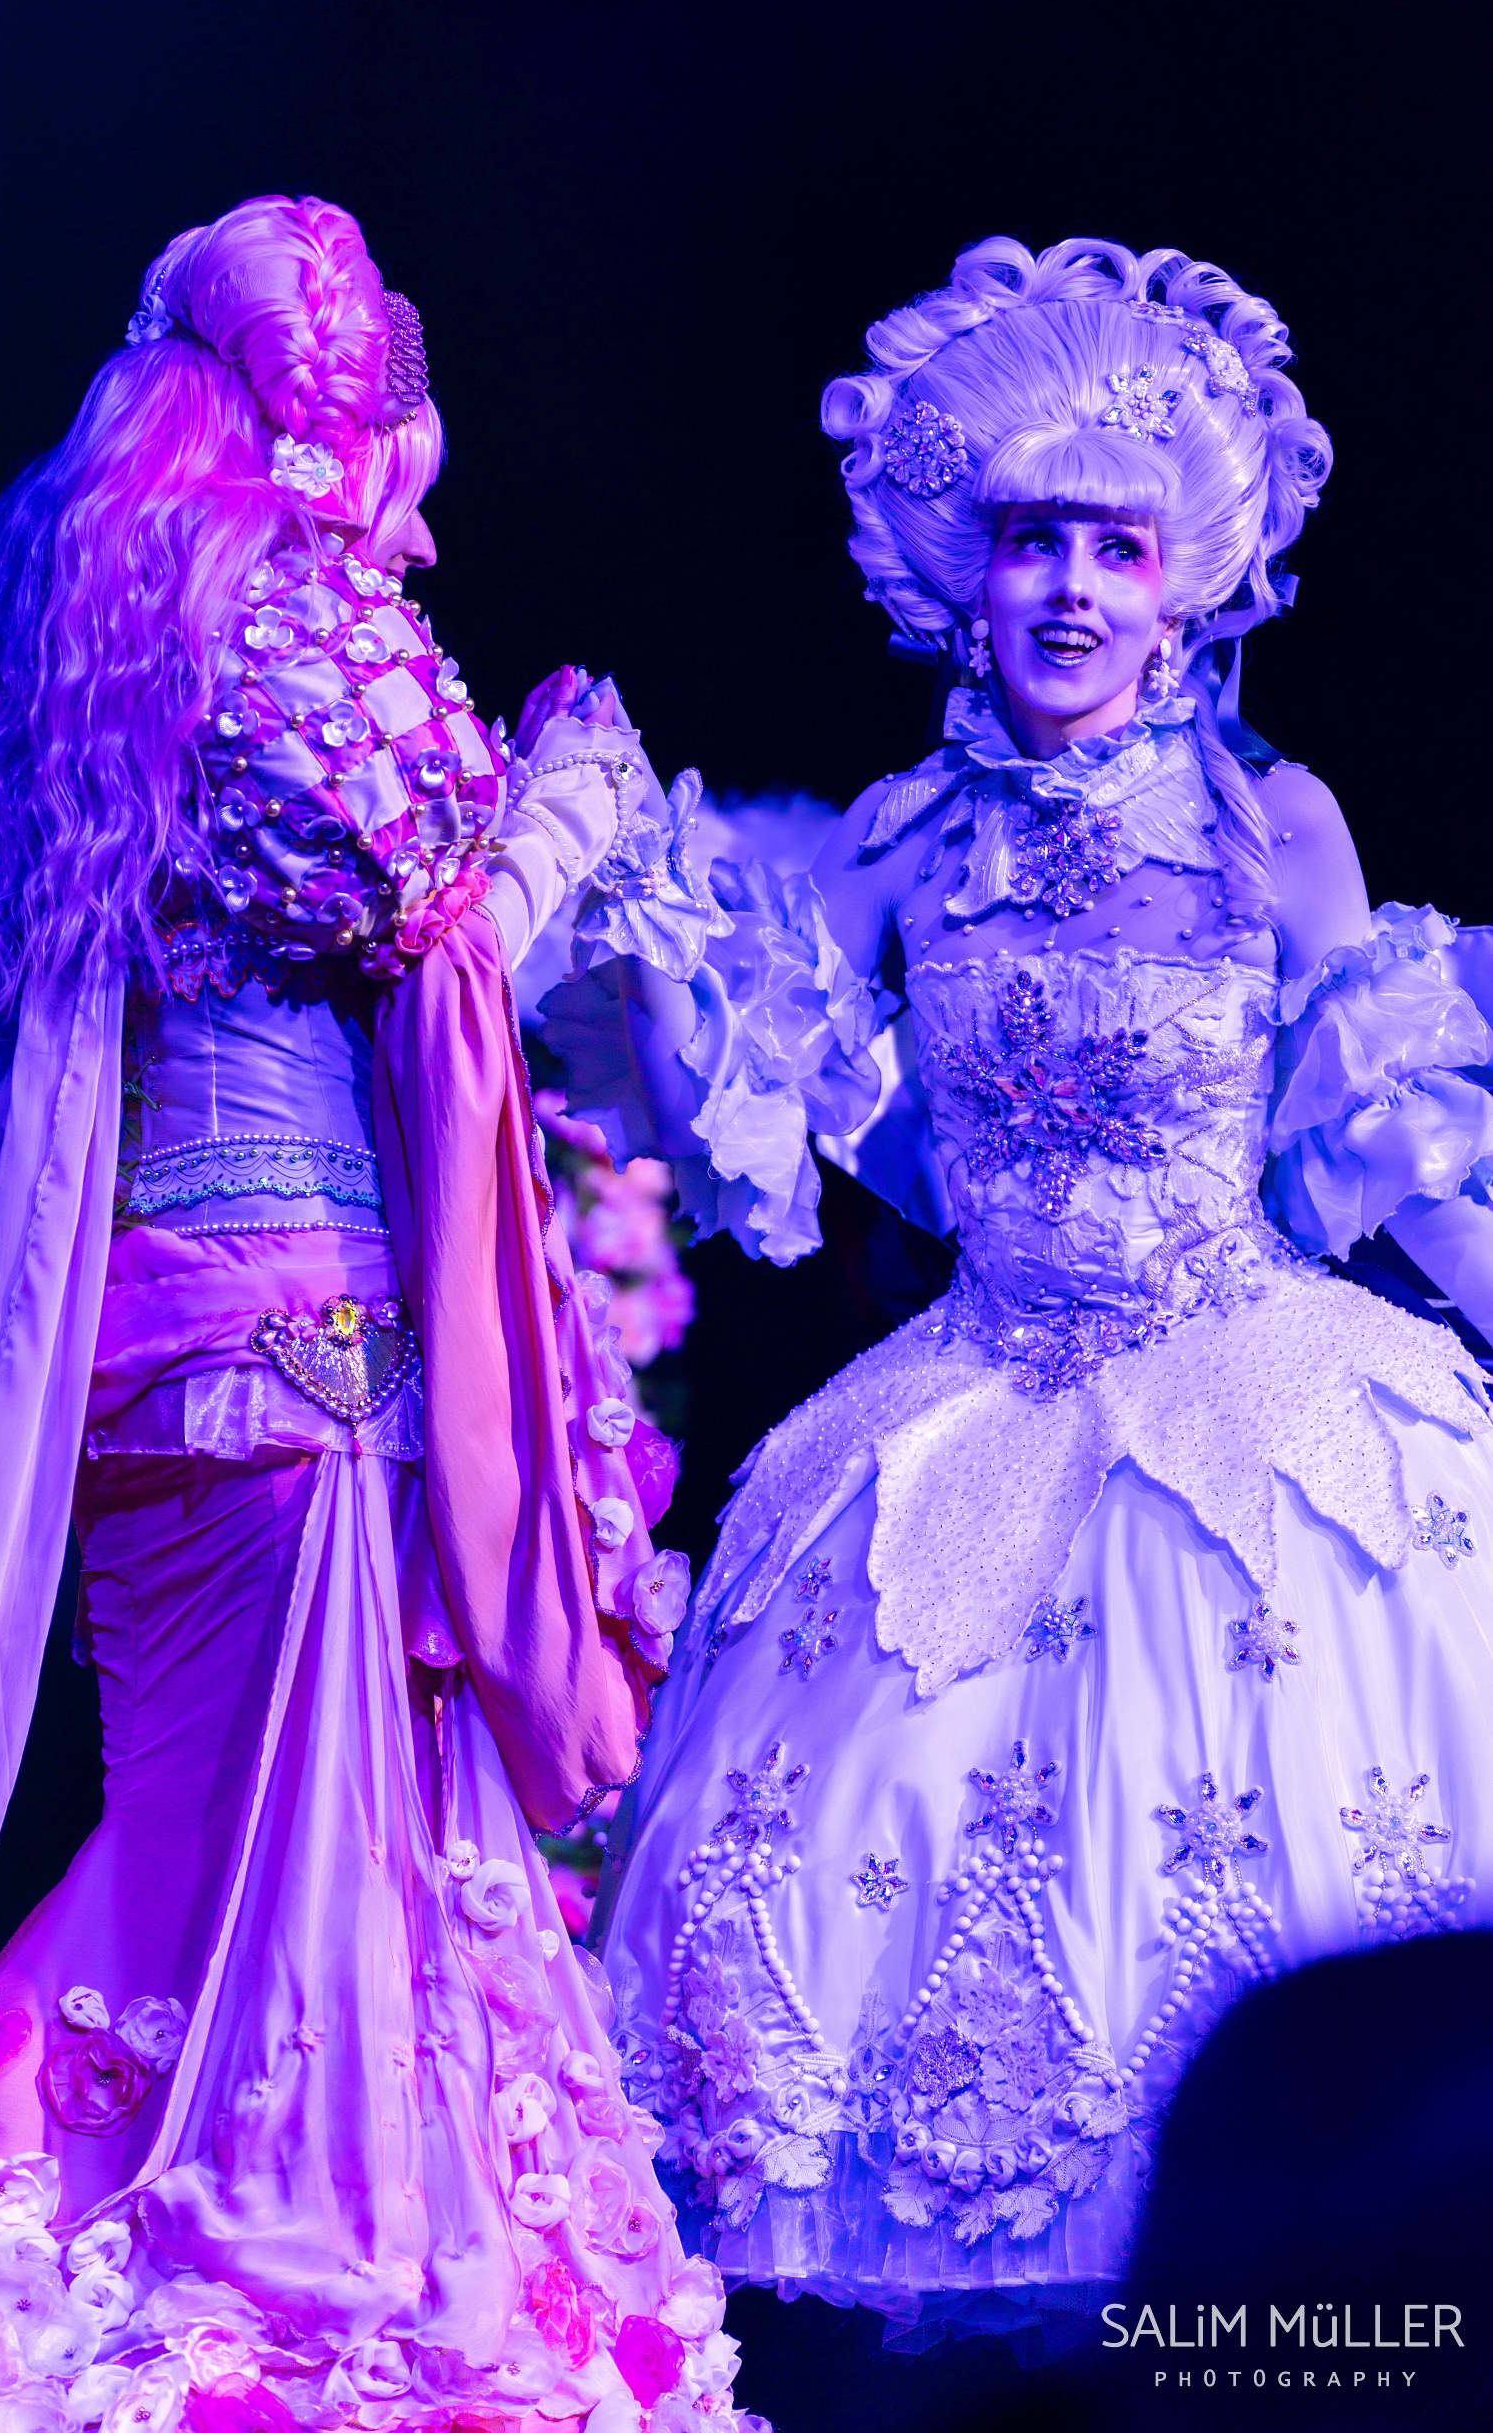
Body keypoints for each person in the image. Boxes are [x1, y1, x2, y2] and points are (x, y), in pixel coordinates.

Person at [0, 195, 750, 2433]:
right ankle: (305, 2254)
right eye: (395, 447)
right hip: (308, 1353)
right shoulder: (287, 620)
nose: (413, 507)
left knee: (208, 1852)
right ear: (329, 419)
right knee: (317, 1853)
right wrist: (570, 810)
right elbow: (441, 943)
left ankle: (270, 2214)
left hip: (165, 1352)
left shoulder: (108, 613)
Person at [545, 235, 1493, 2347]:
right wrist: (625, 925)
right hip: (966, 1412)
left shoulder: (1271, 825)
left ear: (1184, 588)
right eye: (1030, 542)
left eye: (1114, 548)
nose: (1069, 588)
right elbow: (789, 1120)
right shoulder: (896, 843)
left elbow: (1391, 1120)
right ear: (960, 576)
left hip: (1247, 1406)